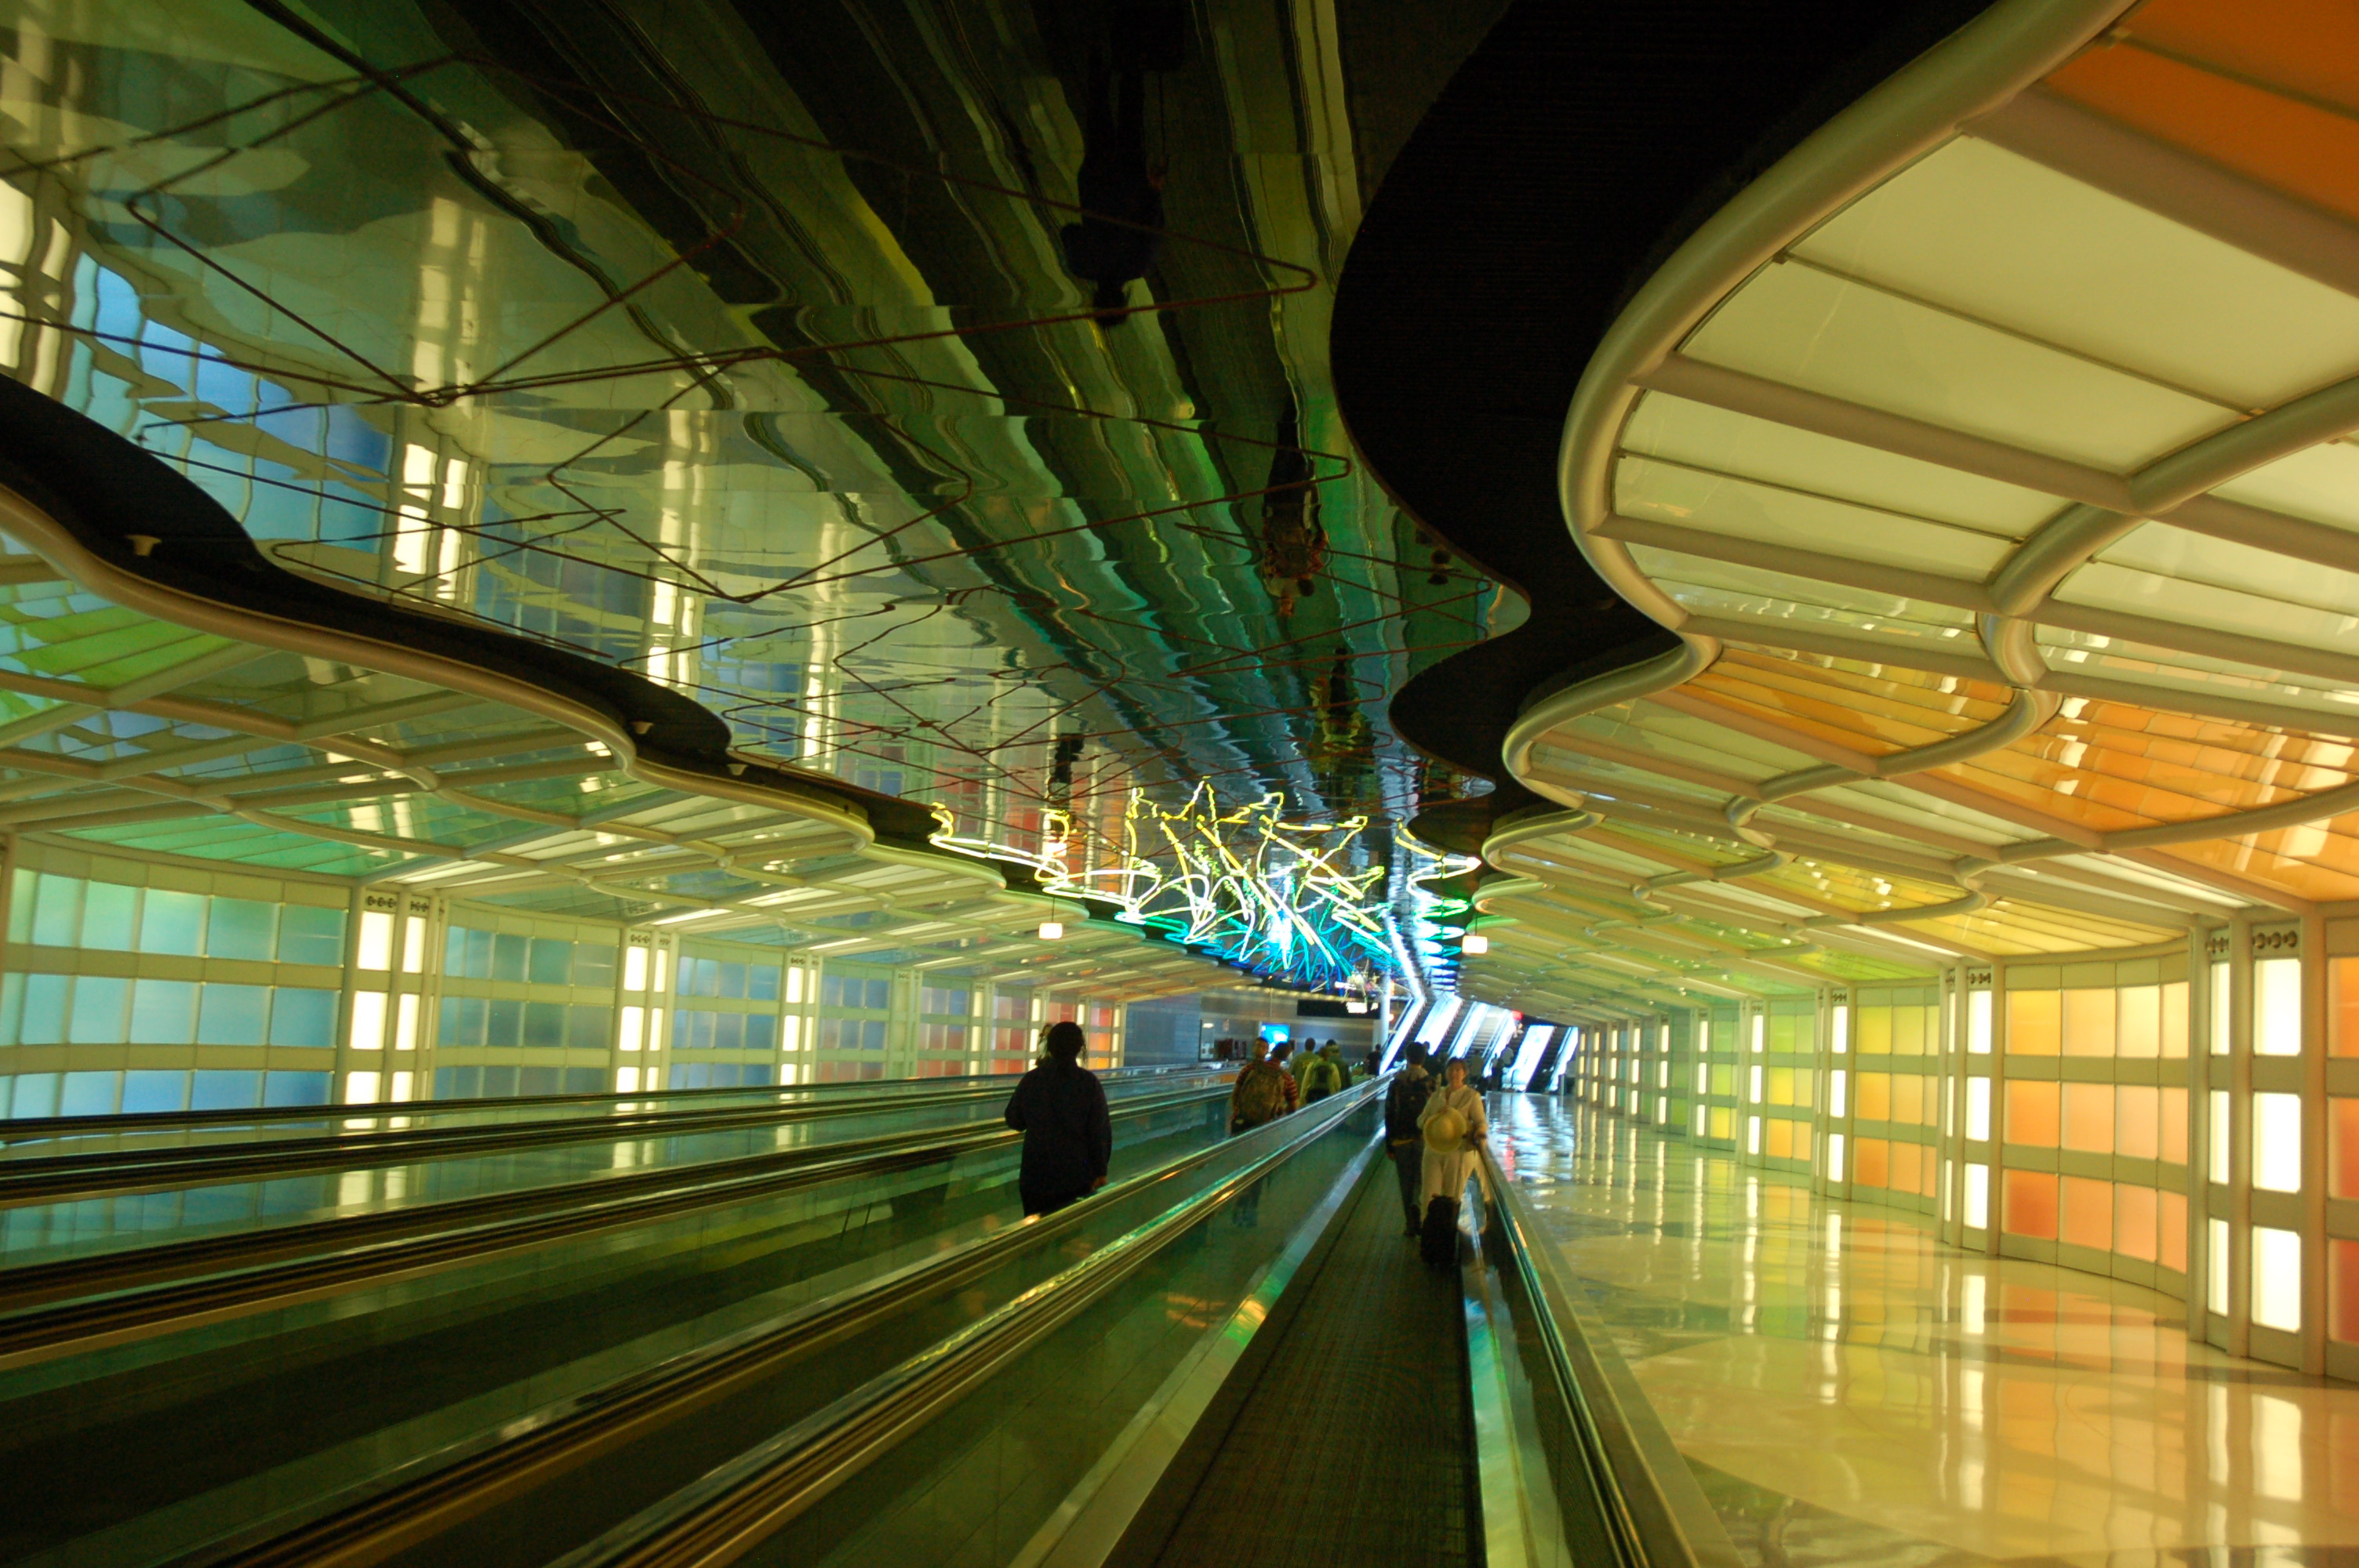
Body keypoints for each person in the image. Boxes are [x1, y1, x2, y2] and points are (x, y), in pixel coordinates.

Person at [1003, 1021, 1112, 1217]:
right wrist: (1100, 1170)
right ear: (1080, 1048)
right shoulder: (1088, 1083)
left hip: (1035, 1176)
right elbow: (1099, 1131)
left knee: (1035, 1230)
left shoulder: (1032, 1079)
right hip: (1075, 1176)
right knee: (1069, 1229)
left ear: (1050, 1046)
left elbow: (1014, 1120)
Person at [1416, 1057, 1488, 1269]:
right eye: (1452, 1069)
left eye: (1459, 1070)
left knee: (1452, 1197)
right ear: (1446, 1072)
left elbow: (1481, 1122)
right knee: (1428, 1196)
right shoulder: (1437, 1095)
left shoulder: (1472, 1096)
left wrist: (1477, 1134)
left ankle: (1446, 1246)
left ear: (1465, 1073)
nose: (1455, 1073)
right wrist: (1433, 1119)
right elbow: (1420, 1121)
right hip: (1434, 1149)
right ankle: (1429, 1244)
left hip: (1458, 1152)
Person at [1383, 1047, 1435, 1236]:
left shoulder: (1397, 1083)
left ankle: (1409, 1225)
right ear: (1424, 1058)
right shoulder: (1430, 1083)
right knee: (1421, 1180)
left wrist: (1389, 1145)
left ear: (1407, 1057)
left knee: (1405, 1182)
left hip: (1401, 1140)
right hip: (1423, 1139)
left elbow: (1389, 1113)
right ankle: (1418, 1209)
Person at [1229, 1038, 1295, 1133]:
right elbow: (1293, 1107)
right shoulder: (1287, 1078)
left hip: (1242, 1120)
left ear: (1272, 1052)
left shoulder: (1250, 1068)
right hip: (1267, 1126)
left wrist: (1237, 1110)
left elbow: (1236, 1093)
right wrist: (1280, 1111)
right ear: (1286, 1057)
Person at [1297, 1040, 1342, 1105]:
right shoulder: (1333, 1066)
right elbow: (1338, 1085)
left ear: (1319, 1054)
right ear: (1329, 1055)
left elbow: (1305, 1084)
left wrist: (1302, 1099)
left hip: (1314, 1098)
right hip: (1329, 1098)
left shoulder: (1312, 1065)